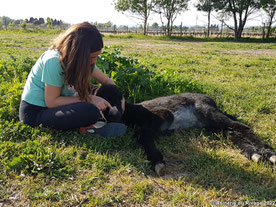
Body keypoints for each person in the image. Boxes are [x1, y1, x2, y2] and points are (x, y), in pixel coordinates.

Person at [19, 22, 127, 137]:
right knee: (90, 111)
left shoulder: (85, 61)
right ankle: (92, 127)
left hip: (63, 106)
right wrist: (88, 99)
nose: (95, 61)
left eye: (97, 56)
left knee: (110, 89)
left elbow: (107, 81)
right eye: (92, 57)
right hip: (38, 112)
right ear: (79, 54)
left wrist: (119, 96)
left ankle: (113, 121)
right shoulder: (54, 61)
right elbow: (52, 102)